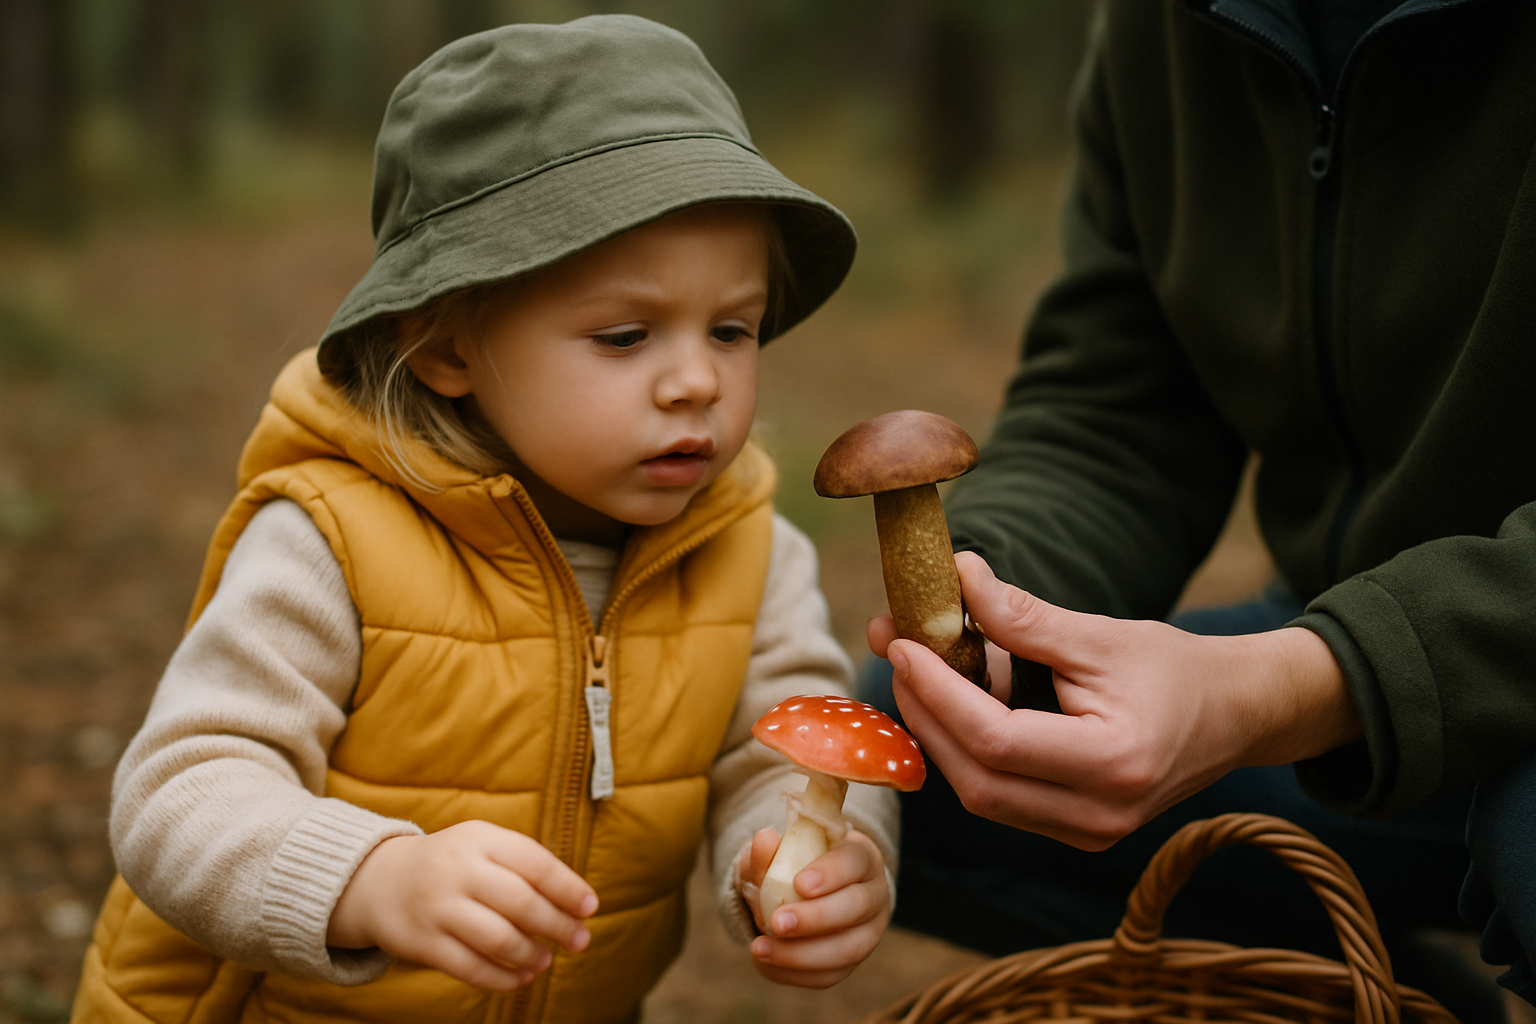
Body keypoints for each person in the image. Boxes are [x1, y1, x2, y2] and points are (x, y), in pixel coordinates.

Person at [70, 16, 898, 1024]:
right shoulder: (332, 539)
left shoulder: (749, 552)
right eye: (626, 335)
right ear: (446, 344)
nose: (696, 382)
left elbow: (792, 751)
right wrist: (372, 879)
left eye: (733, 329)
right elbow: (180, 794)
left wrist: (810, 860)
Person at [860, 0, 1536, 1019]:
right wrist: (993, 597)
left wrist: (1301, 682)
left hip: (1466, 681)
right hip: (1345, 662)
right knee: (909, 761)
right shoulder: (1164, 24)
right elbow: (1120, 403)